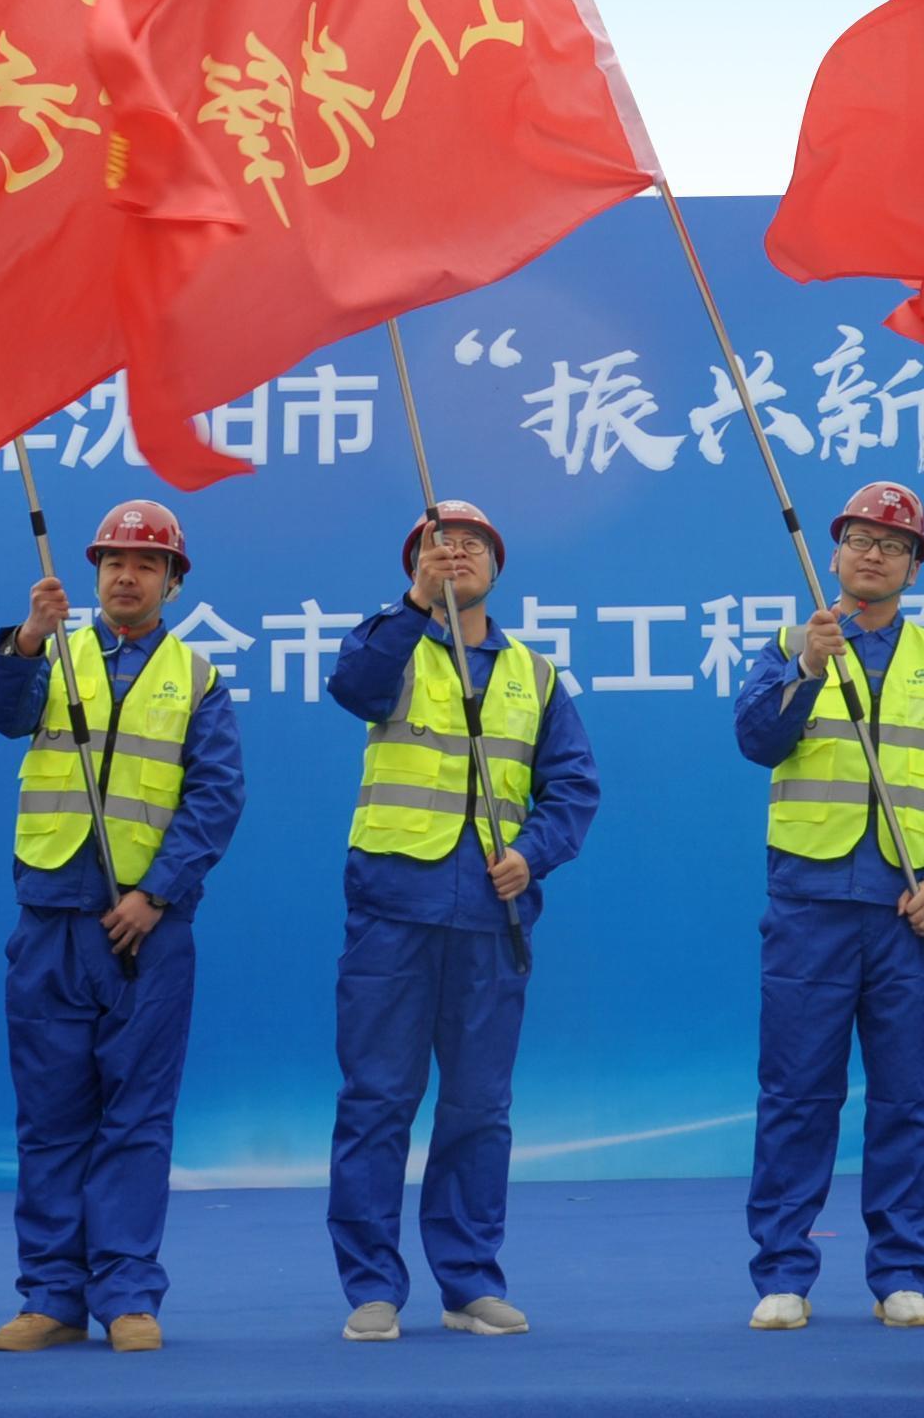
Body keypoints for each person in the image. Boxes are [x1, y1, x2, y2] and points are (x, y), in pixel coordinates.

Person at [0, 499, 243, 1354]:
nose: (128, 576)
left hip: (145, 933)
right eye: (115, 561)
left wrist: (155, 894)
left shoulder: (196, 678)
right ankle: (51, 1297)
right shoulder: (51, 652)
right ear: (93, 574)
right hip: (51, 919)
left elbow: (215, 798)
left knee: (137, 1118)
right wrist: (25, 638)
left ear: (172, 582)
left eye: (146, 564)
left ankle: (127, 1294)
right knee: (50, 1117)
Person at [322, 501, 602, 1342]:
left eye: (473, 545)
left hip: (490, 916)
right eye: (438, 545)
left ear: (496, 566)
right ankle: (372, 1288)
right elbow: (352, 688)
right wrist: (413, 606)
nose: (456, 554)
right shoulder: (388, 646)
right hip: (391, 914)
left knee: (478, 1108)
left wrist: (532, 853)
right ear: (414, 565)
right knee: (376, 1101)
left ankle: (469, 1282)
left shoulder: (533, 675)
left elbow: (573, 788)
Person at [733, 482, 924, 1331]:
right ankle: (783, 1274)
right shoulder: (791, 644)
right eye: (859, 539)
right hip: (809, 905)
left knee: (905, 1099)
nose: (873, 554)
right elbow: (755, 740)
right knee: (795, 1095)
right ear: (834, 553)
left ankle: (899, 1275)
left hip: (906, 912)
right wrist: (808, 670)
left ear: (914, 568)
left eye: (893, 544)